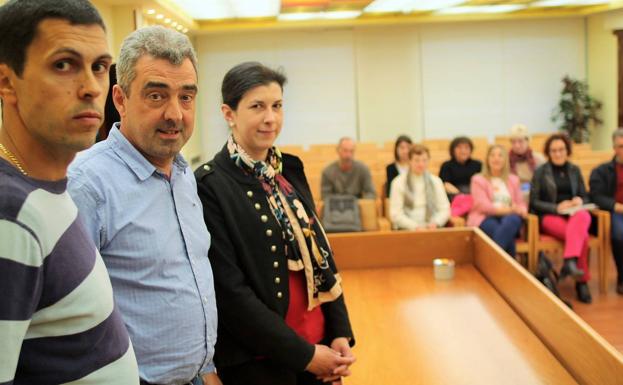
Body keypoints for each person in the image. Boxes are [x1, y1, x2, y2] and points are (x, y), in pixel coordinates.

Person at [67, 26, 220, 385]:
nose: (175, 114)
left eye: (186, 97)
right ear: (119, 99)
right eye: (156, 96)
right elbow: (62, 317)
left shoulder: (184, 175)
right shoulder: (86, 186)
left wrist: (206, 367)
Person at [0, 0, 139, 383]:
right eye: (64, 65)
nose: (92, 88)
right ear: (7, 81)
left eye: (99, 68)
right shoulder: (10, 211)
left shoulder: (46, 187)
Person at [195, 62, 355, 385]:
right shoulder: (210, 185)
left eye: (277, 106)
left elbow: (321, 253)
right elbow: (231, 293)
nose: (271, 118)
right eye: (257, 107)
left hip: (320, 347)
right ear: (229, 113)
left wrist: (339, 332)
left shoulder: (290, 169)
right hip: (262, 361)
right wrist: (307, 356)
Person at [530, 133, 592, 303]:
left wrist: (579, 200)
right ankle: (582, 281)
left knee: (583, 215)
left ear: (567, 151)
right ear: (548, 153)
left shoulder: (574, 170)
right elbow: (534, 202)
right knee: (582, 236)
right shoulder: (541, 172)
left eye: (561, 150)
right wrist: (556, 207)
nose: (558, 154)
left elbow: (585, 197)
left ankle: (570, 262)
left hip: (574, 215)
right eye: (554, 150)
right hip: (551, 216)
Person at [468, 145, 527, 257]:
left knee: (512, 221)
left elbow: (521, 203)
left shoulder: (513, 179)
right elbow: (483, 207)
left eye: (500, 155)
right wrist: (511, 209)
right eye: (493, 155)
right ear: (487, 159)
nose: (496, 158)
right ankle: (510, 270)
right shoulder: (478, 179)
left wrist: (522, 210)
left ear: (505, 160)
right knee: (503, 233)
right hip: (485, 217)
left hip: (510, 218)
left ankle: (490, 263)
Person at [589, 128, 623, 295]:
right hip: (616, 212)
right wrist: (617, 206)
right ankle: (622, 278)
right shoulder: (602, 171)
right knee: (619, 235)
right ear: (614, 148)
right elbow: (595, 196)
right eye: (621, 146)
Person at [389, 144, 450, 230]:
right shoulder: (398, 182)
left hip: (432, 227)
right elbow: (395, 214)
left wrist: (436, 222)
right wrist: (415, 226)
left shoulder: (436, 181)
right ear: (409, 161)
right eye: (416, 160)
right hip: (407, 229)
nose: (421, 164)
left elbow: (445, 209)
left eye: (424, 160)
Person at [508, 124, 546, 200]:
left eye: (520, 141)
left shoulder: (538, 159)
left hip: (535, 195)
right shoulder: (506, 160)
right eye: (513, 142)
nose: (517, 145)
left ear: (527, 141)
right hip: (513, 196)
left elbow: (544, 182)